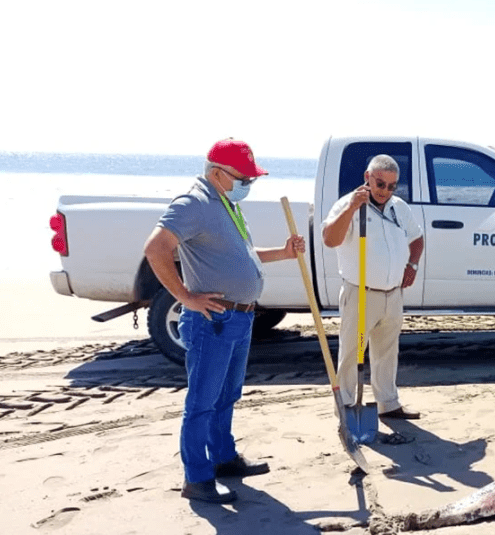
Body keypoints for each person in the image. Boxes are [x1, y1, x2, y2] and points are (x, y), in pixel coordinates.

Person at [143, 139, 305, 504]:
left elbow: (243, 255)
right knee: (202, 400)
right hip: (212, 321)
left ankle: (223, 459)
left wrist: (282, 252)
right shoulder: (194, 203)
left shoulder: (225, 203)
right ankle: (197, 479)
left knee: (227, 394)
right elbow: (155, 248)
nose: (248, 183)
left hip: (240, 317)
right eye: (243, 177)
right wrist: (185, 297)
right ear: (218, 173)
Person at [322, 154, 424, 422]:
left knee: (388, 352)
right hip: (361, 295)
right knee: (352, 353)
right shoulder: (347, 205)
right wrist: (352, 208)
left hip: (393, 294)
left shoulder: (399, 207)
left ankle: (388, 404)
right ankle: (346, 408)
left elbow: (417, 238)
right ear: (367, 178)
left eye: (392, 186)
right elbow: (330, 239)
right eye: (380, 184)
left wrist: (412, 265)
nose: (385, 191)